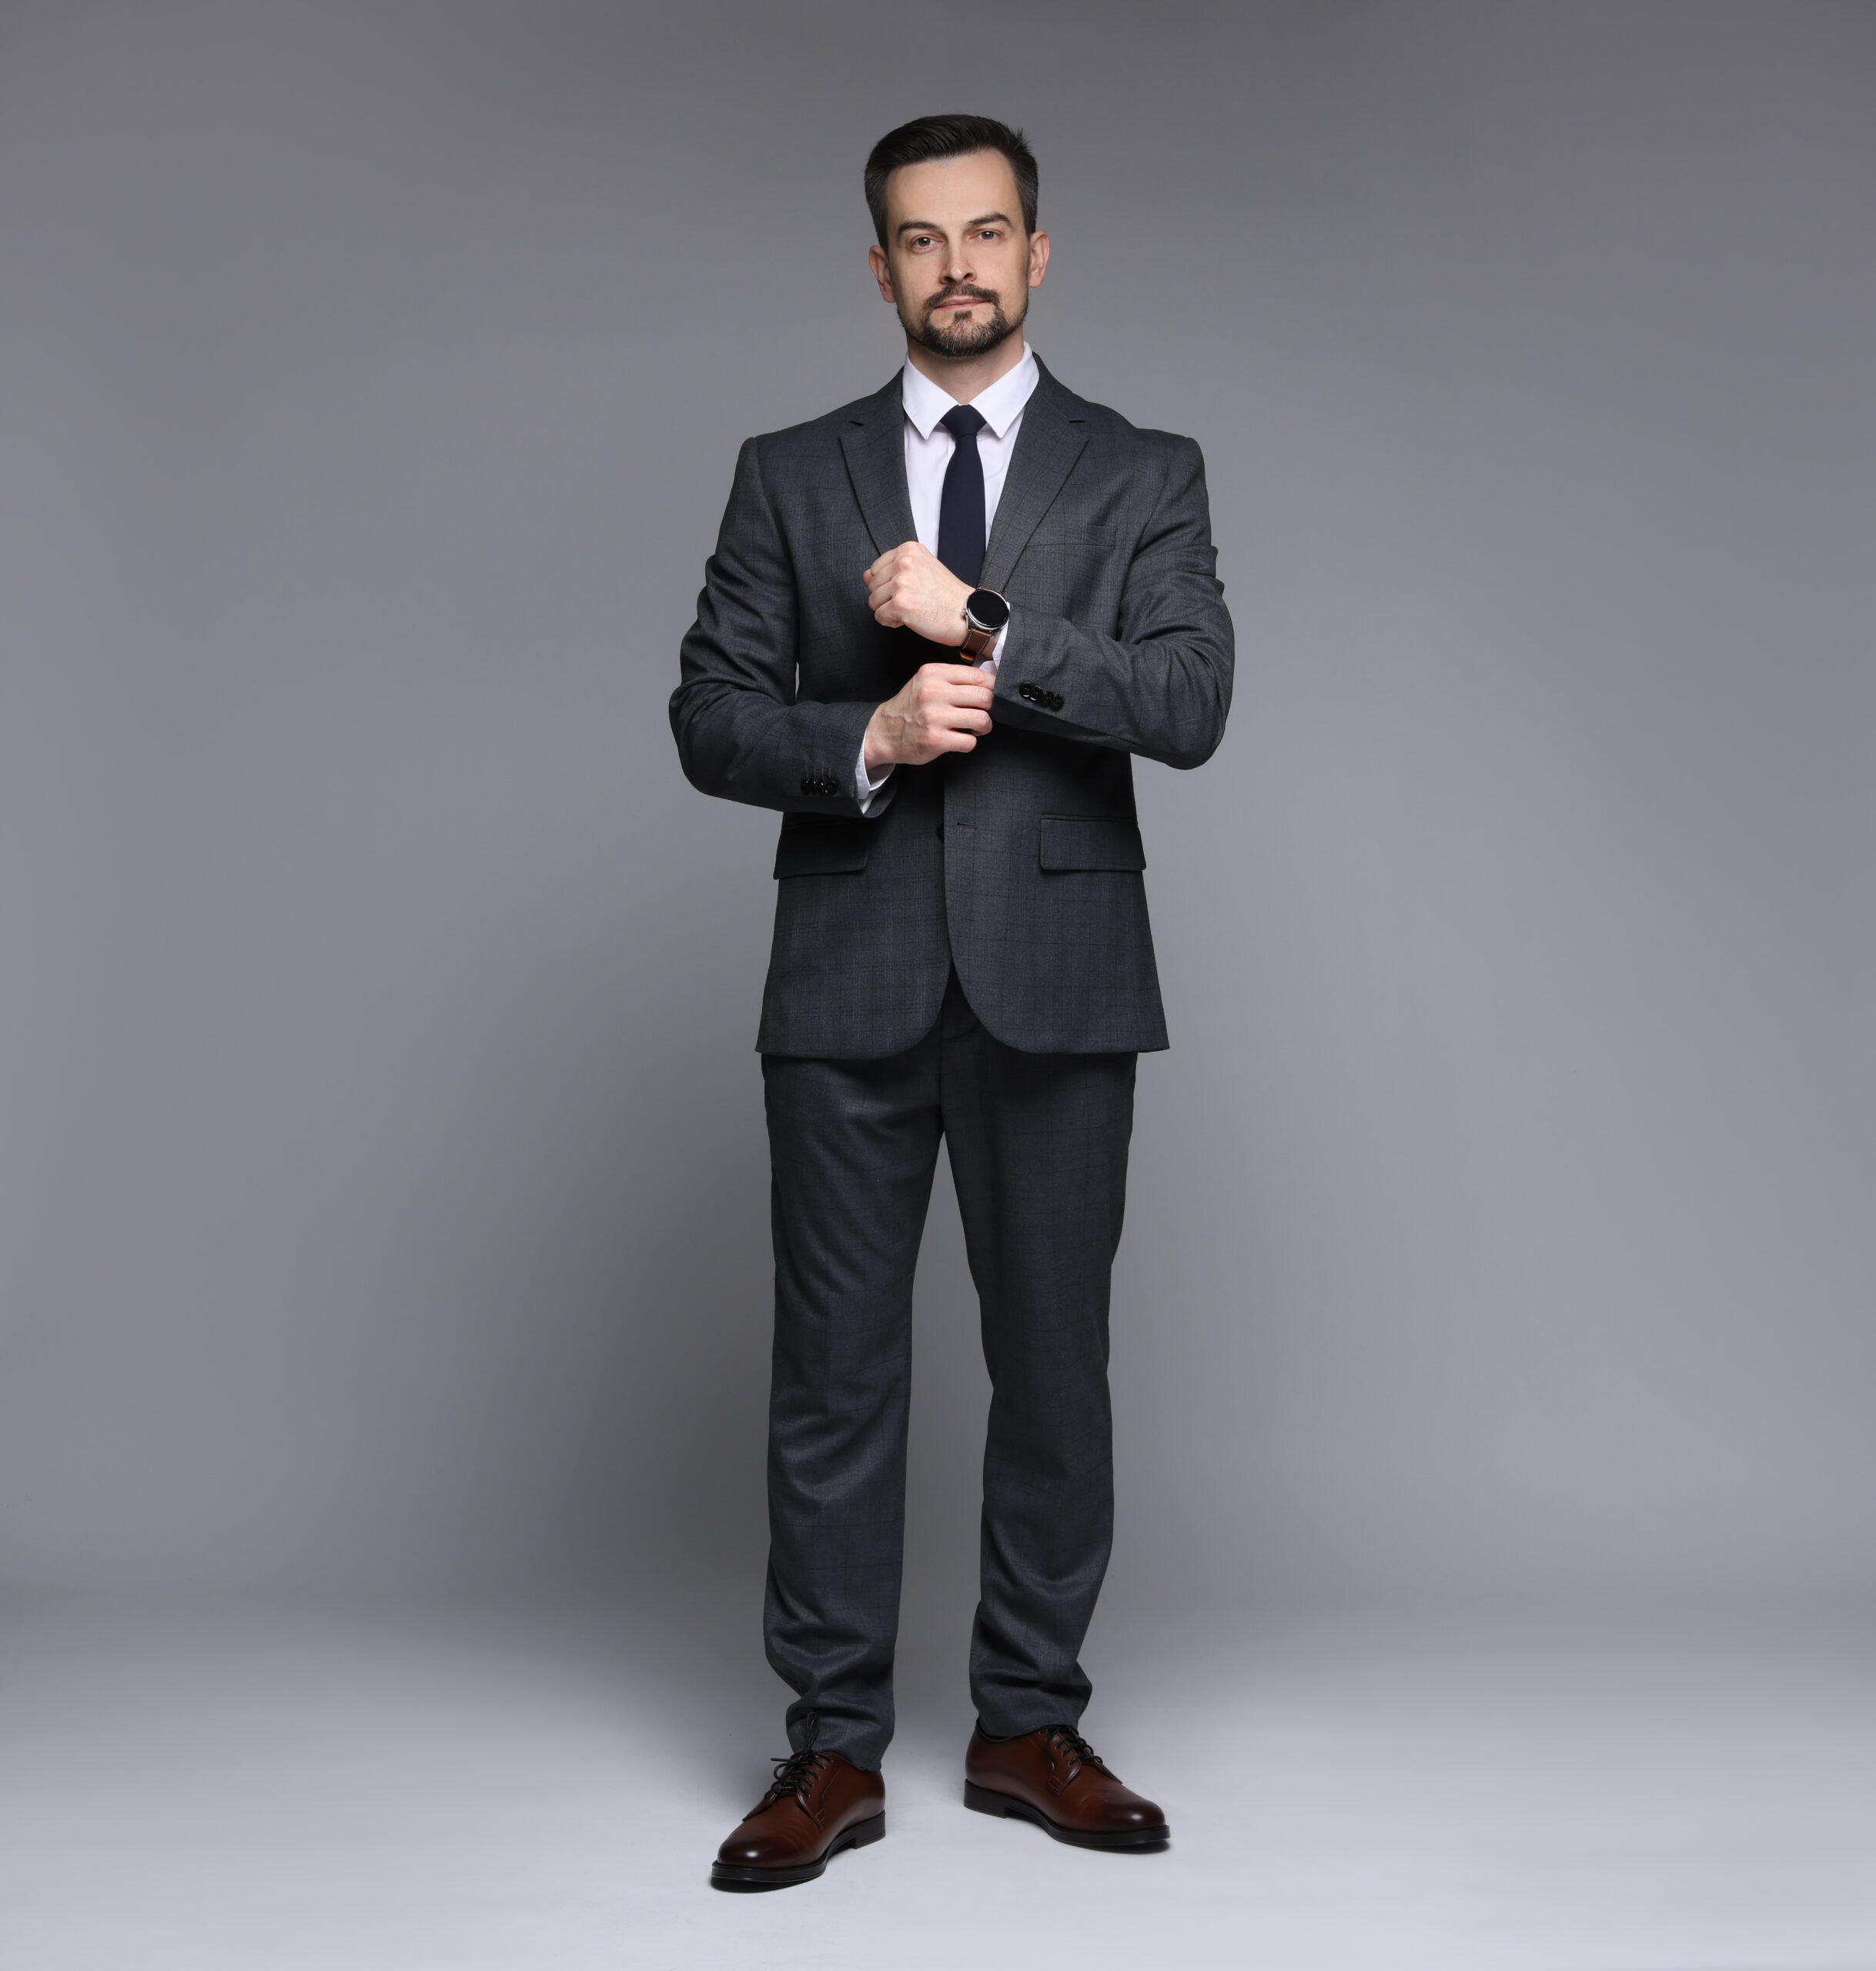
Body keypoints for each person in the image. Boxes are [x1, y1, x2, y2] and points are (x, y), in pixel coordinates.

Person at [670, 112, 1233, 1890]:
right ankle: (830, 1747)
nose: (958, 265)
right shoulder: (789, 470)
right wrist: (869, 730)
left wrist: (984, 625)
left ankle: (1026, 1723)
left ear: (1036, 253)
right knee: (831, 1380)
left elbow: (1189, 701)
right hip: (847, 974)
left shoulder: (1142, 470)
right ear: (880, 268)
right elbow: (707, 712)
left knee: (1053, 1370)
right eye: (921, 239)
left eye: (986, 232)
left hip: (1059, 976)